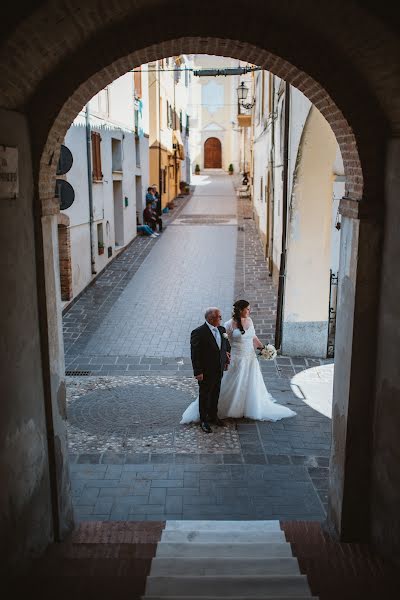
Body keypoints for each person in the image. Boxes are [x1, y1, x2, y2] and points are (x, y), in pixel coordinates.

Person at [181, 300, 296, 424]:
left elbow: (253, 337)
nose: (249, 311)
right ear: (241, 310)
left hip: (250, 359)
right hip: (236, 359)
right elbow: (223, 343)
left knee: (249, 384)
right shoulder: (228, 325)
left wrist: (263, 349)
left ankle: (240, 409)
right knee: (222, 386)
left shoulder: (249, 321)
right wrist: (225, 357)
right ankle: (210, 415)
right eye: (247, 309)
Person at [184, 307, 231, 433]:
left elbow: (226, 346)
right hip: (206, 371)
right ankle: (204, 420)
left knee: (216, 393)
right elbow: (195, 354)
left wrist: (226, 357)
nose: (221, 319)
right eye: (219, 317)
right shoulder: (198, 332)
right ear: (211, 319)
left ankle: (213, 416)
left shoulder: (222, 329)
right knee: (205, 395)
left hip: (219, 369)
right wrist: (198, 372)